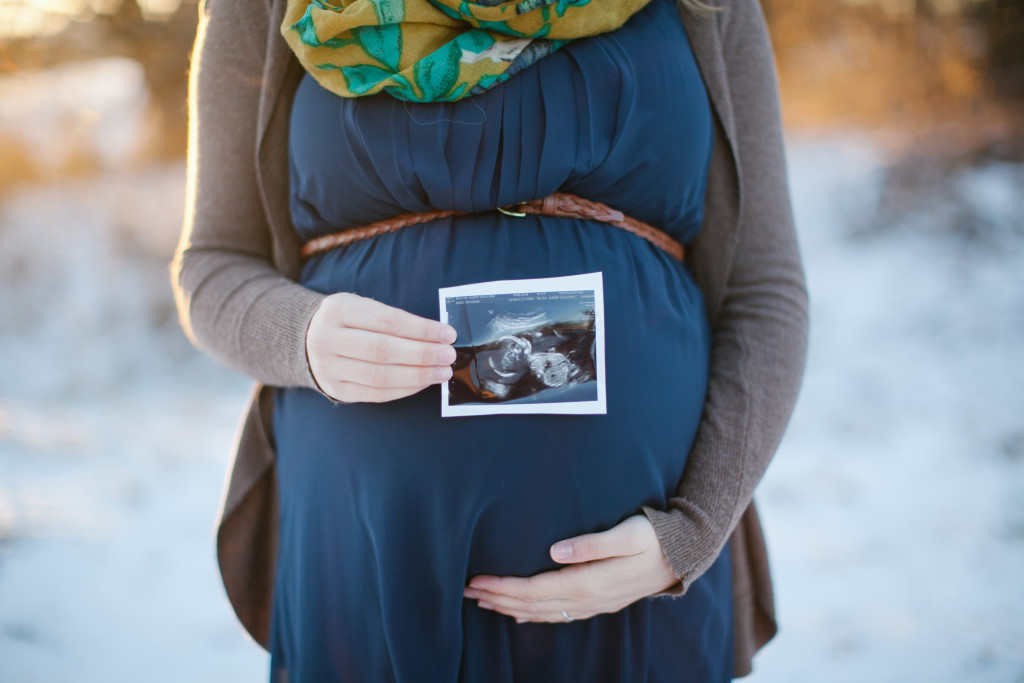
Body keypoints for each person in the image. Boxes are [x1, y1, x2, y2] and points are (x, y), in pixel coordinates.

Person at [171, 0, 808, 680]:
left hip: (633, 584)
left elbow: (765, 290)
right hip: (365, 549)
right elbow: (211, 265)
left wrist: (690, 532)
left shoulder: (710, 8)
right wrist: (300, 335)